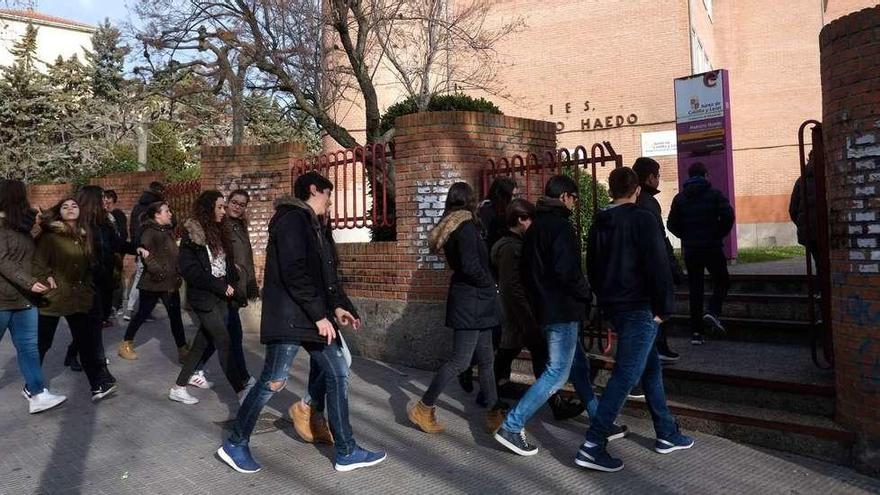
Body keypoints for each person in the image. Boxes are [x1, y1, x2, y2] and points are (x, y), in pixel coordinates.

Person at [218, 171, 386, 474]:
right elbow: (296, 273)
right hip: (291, 317)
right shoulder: (292, 220)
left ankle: (346, 451)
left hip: (309, 318)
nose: (330, 202)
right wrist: (320, 314)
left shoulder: (312, 223)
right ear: (313, 189)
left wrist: (338, 307)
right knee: (273, 381)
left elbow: (325, 275)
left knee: (338, 372)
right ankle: (235, 443)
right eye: (328, 194)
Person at [577, 167, 692, 472]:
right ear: (637, 189)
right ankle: (593, 443)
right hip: (641, 307)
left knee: (651, 369)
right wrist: (664, 307)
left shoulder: (600, 222)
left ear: (611, 190)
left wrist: (605, 302)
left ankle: (666, 432)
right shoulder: (642, 219)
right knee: (626, 376)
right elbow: (657, 265)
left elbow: (594, 267)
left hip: (616, 305)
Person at [494, 175, 610, 457]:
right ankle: (512, 424)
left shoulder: (535, 228)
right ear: (565, 197)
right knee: (557, 372)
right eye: (574, 197)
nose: (575, 203)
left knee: (578, 366)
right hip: (562, 308)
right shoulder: (560, 227)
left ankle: (600, 419)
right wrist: (587, 294)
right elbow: (567, 272)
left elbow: (529, 274)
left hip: (546, 309)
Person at [408, 182, 507, 436]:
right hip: (471, 302)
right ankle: (424, 406)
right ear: (470, 200)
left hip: (475, 301)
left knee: (486, 360)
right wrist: (490, 284)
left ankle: (494, 412)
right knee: (460, 361)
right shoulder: (465, 228)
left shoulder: (455, 225)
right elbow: (471, 266)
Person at [491, 198, 585, 420]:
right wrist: (528, 317)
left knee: (530, 356)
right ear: (521, 219)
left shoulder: (517, 245)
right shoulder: (510, 248)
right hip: (521, 314)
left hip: (526, 312)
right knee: (530, 357)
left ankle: (553, 403)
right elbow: (511, 287)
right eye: (529, 219)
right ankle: (499, 401)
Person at [169, 190, 253, 405]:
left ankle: (178, 388)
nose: (223, 211)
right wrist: (219, 286)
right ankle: (241, 391)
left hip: (222, 298)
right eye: (220, 207)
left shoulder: (220, 230)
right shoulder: (192, 234)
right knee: (223, 340)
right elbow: (190, 270)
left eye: (224, 207)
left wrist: (236, 287)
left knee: (201, 344)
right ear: (208, 208)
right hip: (204, 298)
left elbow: (227, 265)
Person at [34, 198, 117, 402]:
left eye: (74, 206)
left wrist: (88, 287)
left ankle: (97, 385)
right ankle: (32, 386)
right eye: (65, 207)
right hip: (53, 297)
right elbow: (38, 263)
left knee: (85, 342)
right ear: (59, 212)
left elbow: (88, 267)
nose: (70, 209)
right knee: (43, 343)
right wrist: (46, 277)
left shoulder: (83, 235)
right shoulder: (50, 236)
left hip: (78, 298)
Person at [0, 179, 67, 413]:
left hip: (25, 300)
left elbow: (32, 257)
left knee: (29, 347)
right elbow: (3, 261)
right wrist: (30, 282)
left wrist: (45, 275)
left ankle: (37, 393)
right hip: (2, 301)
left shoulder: (20, 226)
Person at [456, 177, 518, 395]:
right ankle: (479, 379)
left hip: (491, 281)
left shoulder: (486, 212)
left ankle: (490, 391)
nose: (515, 198)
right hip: (492, 281)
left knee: (491, 337)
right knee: (493, 334)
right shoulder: (491, 215)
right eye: (513, 194)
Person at [667, 162, 735, 345]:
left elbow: (671, 224)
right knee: (722, 280)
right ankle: (712, 312)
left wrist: (686, 236)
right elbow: (728, 216)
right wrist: (718, 233)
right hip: (712, 247)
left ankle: (696, 333)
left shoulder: (680, 198)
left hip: (691, 249)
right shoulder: (715, 194)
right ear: (705, 175)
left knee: (695, 289)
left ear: (689, 176)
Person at [117, 201, 189, 363]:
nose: (170, 213)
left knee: (175, 317)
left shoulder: (167, 230)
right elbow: (146, 256)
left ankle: (183, 350)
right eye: (166, 211)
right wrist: (161, 273)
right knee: (142, 314)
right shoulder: (149, 232)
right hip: (153, 283)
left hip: (170, 282)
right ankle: (125, 344)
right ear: (157, 215)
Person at [632, 157, 684, 362]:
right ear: (650, 177)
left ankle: (655, 350)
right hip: (652, 266)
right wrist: (673, 267)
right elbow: (660, 238)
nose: (659, 180)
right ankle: (658, 346)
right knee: (658, 310)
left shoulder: (636, 200)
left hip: (636, 271)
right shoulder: (648, 203)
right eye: (658, 175)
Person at [124, 181, 165, 321]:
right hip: (153, 247)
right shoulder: (156, 207)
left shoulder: (137, 207)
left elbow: (133, 228)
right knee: (150, 280)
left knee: (139, 278)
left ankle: (129, 310)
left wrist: (136, 246)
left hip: (141, 246)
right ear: (159, 191)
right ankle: (144, 311)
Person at [789, 151, 820, 274]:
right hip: (825, 231)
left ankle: (819, 290)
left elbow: (793, 209)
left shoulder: (801, 180)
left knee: (819, 263)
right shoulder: (828, 177)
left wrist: (803, 224)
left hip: (808, 232)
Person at [103, 189, 128, 319]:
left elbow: (123, 234)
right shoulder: (103, 216)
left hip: (116, 251)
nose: (106, 204)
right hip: (108, 251)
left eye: (108, 201)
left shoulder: (117, 214)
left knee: (116, 277)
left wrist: (119, 249)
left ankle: (115, 305)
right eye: (104, 201)